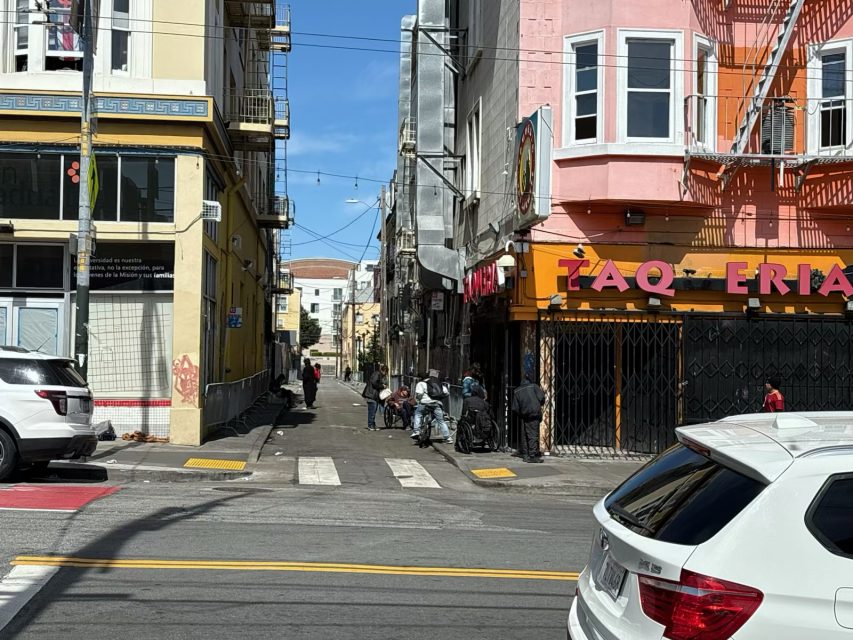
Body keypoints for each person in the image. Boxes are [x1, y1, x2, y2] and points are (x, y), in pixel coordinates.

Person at [512, 372, 546, 463]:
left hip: (524, 415)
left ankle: (526, 455)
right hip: (534, 414)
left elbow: (515, 408)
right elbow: (542, 398)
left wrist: (522, 413)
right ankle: (532, 456)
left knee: (525, 435)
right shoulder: (534, 386)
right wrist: (538, 405)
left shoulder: (517, 390)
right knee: (532, 435)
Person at [412, 369, 452, 444]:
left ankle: (416, 431)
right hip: (436, 404)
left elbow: (419, 394)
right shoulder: (439, 384)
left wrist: (419, 400)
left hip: (425, 403)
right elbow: (446, 393)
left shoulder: (421, 383)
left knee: (418, 414)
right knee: (441, 421)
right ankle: (448, 437)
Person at [362, 364, 388, 431]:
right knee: (372, 411)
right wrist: (382, 386)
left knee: (373, 411)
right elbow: (374, 383)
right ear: (384, 371)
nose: (385, 374)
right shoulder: (377, 374)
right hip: (371, 395)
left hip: (374, 396)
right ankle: (370, 425)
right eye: (386, 372)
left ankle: (373, 424)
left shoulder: (378, 374)